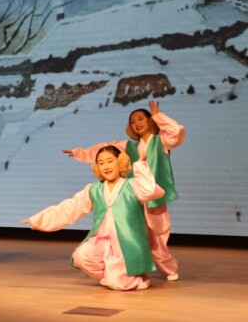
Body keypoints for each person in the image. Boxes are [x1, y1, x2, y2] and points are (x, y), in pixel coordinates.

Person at [61, 100, 184, 281]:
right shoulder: (129, 147)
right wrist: (80, 153)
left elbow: (176, 131)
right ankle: (137, 268)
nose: (137, 123)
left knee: (158, 237)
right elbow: (103, 150)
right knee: (135, 235)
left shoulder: (162, 141)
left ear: (150, 121)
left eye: (140, 119)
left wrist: (158, 115)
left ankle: (167, 268)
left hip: (154, 197)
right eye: (133, 121)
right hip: (133, 197)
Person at [21, 146, 164, 291]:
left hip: (126, 245)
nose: (106, 166)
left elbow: (150, 191)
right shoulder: (94, 189)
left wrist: (140, 165)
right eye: (101, 163)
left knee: (118, 283)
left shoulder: (132, 185)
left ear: (120, 162)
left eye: (110, 161)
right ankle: (114, 277)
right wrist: (38, 220)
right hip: (102, 242)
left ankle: (133, 280)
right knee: (81, 256)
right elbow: (69, 208)